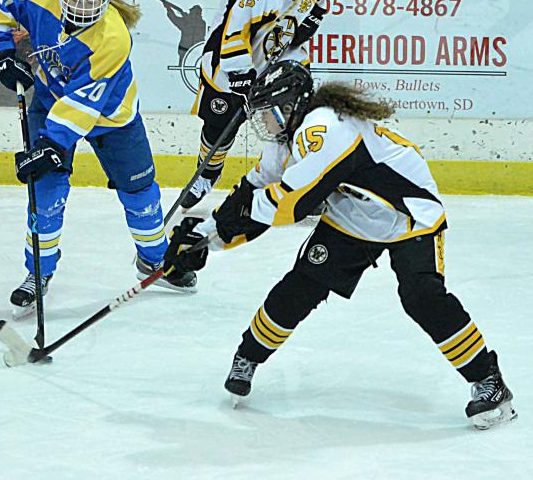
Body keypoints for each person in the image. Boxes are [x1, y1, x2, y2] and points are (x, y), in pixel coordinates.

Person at [163, 61, 517, 430]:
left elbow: (288, 204)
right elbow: (253, 192)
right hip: (351, 214)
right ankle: (247, 357)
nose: (263, 124)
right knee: (301, 286)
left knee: (423, 295)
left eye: (268, 113)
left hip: (408, 215)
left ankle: (489, 382)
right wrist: (205, 237)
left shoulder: (325, 126)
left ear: (291, 106)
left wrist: (223, 227)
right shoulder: (285, 140)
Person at [0, 0, 197, 318]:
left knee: (140, 192)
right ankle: (38, 273)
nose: (80, 9)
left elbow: (82, 106)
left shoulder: (112, 38)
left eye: (91, 2)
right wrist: (0, 54)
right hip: (50, 104)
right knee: (46, 192)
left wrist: (51, 144)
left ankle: (155, 260)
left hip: (111, 117)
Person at [181, 0, 337, 210]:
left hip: (283, 56)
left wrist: (310, 20)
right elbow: (233, 32)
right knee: (218, 125)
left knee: (294, 121)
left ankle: (297, 182)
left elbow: (314, 3)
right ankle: (207, 174)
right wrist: (242, 77)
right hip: (229, 63)